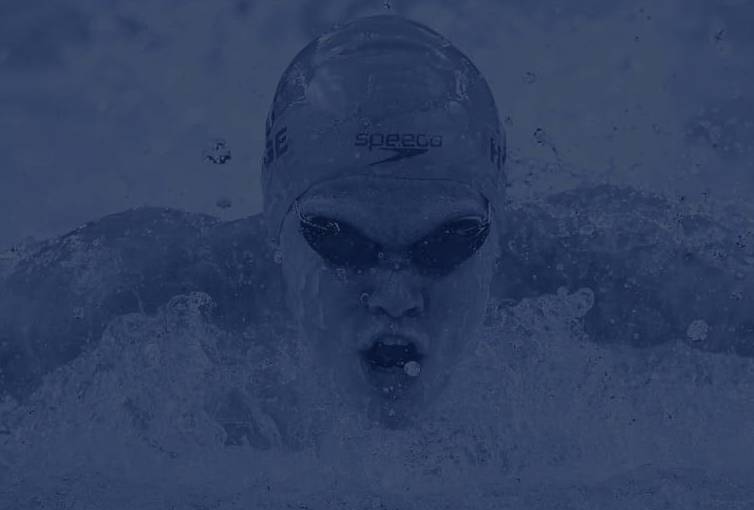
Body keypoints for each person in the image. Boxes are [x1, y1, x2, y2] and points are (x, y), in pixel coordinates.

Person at [1, 13, 752, 419]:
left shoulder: (612, 272)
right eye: (342, 240)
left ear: (499, 229)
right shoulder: (143, 289)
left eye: (447, 243)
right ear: (275, 228)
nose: (394, 294)